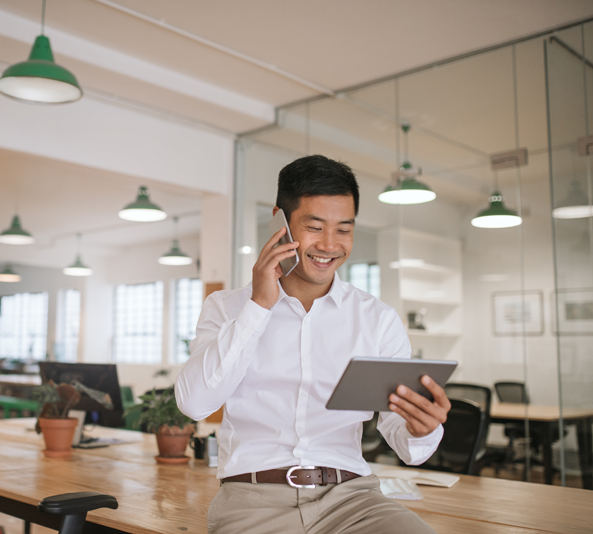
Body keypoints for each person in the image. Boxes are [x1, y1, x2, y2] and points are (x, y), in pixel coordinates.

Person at [175, 155, 450, 534]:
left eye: (344, 230)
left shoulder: (376, 319)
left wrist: (422, 430)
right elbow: (195, 403)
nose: (330, 245)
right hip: (254, 501)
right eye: (315, 227)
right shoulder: (227, 308)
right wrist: (259, 306)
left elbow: (406, 446)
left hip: (353, 501)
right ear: (280, 222)